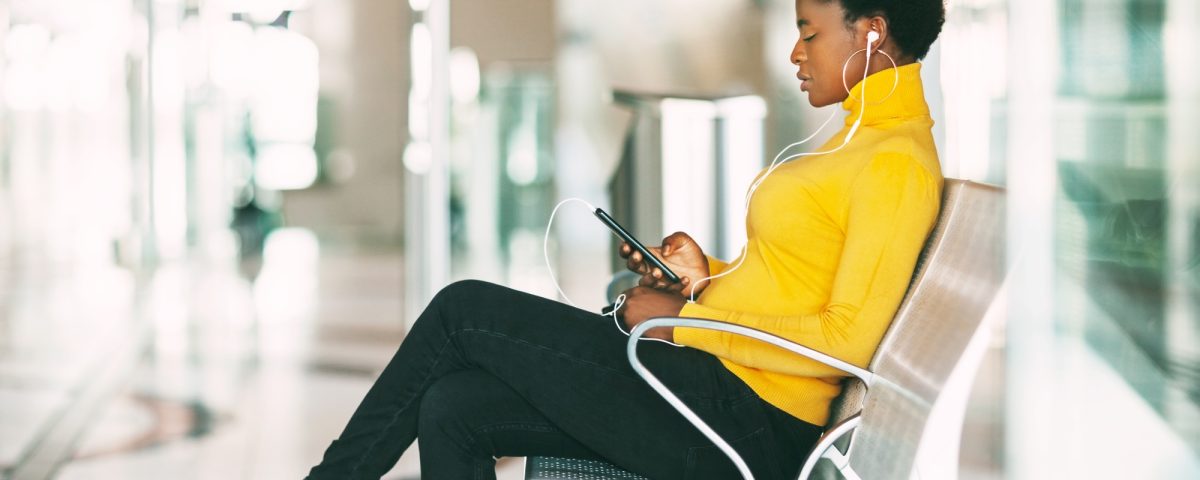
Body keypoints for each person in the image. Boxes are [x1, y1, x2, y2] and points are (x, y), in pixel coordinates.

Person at [307, 0, 946, 478]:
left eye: (809, 31)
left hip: (746, 422)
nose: (795, 53)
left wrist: (681, 320)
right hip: (720, 386)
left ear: (871, 31)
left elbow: (844, 343)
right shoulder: (862, 137)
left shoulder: (893, 162)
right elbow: (799, 284)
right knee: (453, 406)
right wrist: (703, 278)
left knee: (462, 309)